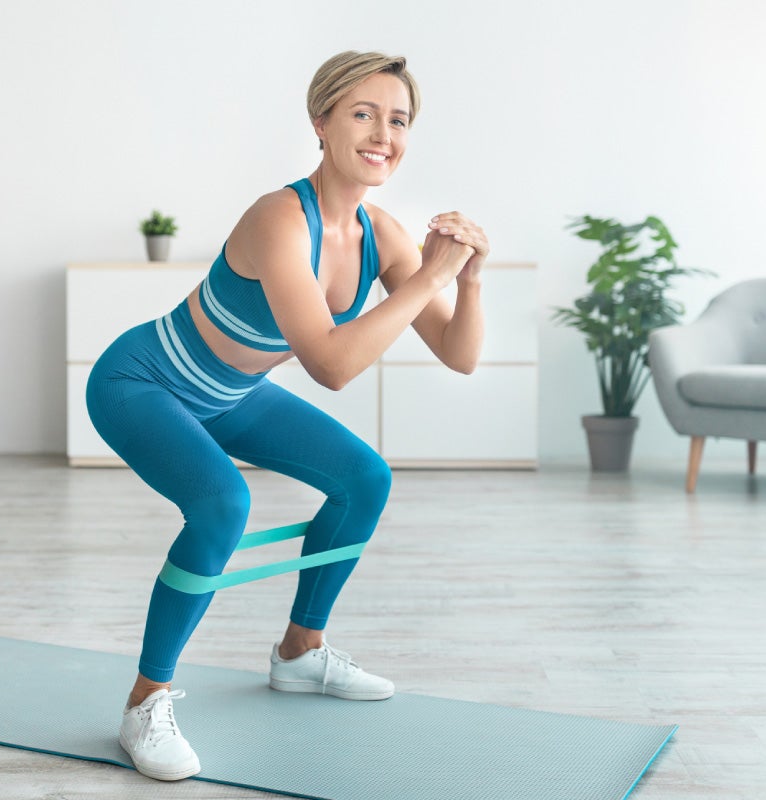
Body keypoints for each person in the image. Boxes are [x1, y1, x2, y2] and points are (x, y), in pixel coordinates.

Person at [88, 50, 491, 781]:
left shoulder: (384, 235)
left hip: (230, 395)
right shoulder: (280, 219)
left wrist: (468, 281)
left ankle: (301, 652)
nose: (383, 133)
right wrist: (429, 276)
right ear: (321, 121)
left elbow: (459, 355)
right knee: (222, 505)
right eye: (363, 113)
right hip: (142, 381)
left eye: (398, 119)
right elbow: (331, 366)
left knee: (364, 478)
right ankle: (143, 706)